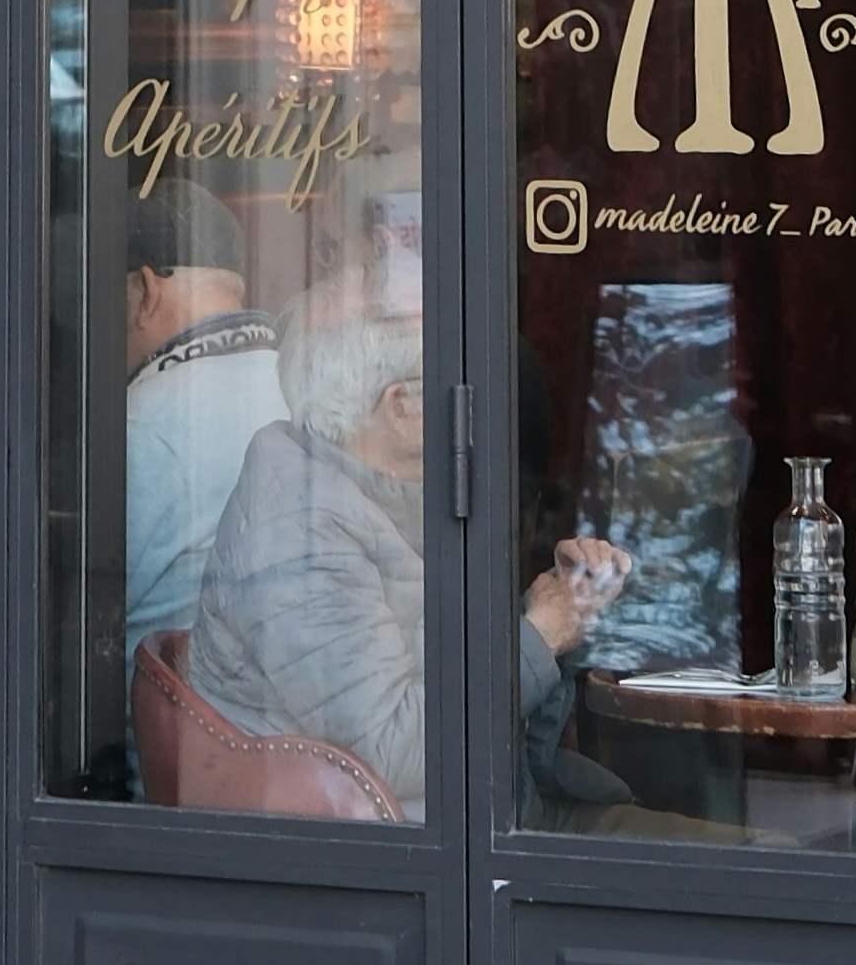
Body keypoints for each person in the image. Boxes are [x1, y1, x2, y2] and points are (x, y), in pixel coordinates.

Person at [185, 289, 622, 812]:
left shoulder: (362, 489)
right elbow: (394, 750)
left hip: (470, 819)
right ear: (400, 405)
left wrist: (547, 606)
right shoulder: (302, 536)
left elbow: (429, 664)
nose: (466, 400)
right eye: (447, 378)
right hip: (399, 855)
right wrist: (539, 637)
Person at [119, 188, 285, 673]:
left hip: (150, 744)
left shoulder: (144, 425)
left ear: (148, 292)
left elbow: (26, 618)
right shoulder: (302, 389)